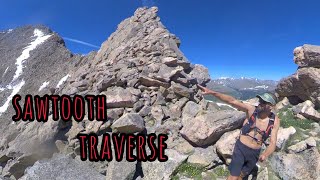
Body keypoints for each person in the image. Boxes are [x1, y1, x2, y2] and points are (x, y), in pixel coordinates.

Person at [197, 84, 280, 180]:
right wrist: (212, 93)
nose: (259, 102)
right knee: (233, 176)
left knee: (242, 176)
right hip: (241, 149)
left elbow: (273, 142)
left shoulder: (275, 121)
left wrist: (265, 154)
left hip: (254, 153)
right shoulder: (251, 110)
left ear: (270, 106)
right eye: (260, 100)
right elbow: (232, 101)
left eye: (263, 102)